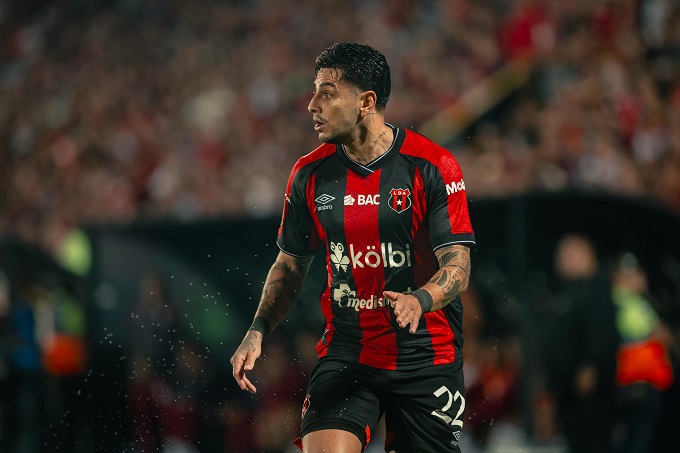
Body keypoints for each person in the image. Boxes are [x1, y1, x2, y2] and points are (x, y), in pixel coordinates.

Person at [230, 42, 475, 453]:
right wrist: (257, 330)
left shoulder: (432, 166)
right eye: (314, 93)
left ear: (366, 102)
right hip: (349, 353)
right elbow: (290, 267)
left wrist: (420, 299)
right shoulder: (309, 173)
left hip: (426, 357)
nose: (312, 105)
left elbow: (459, 265)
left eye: (327, 93)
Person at [543, 234, 619, 453]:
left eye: (572, 253)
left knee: (593, 442)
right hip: (566, 387)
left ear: (590, 256)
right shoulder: (562, 293)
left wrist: (592, 367)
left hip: (589, 389)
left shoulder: (598, 289)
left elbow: (603, 333)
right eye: (562, 254)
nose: (565, 259)